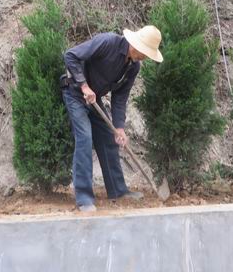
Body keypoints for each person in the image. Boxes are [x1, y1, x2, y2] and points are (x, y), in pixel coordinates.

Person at [60, 25, 163, 212]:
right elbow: (70, 56)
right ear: (137, 46)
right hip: (75, 92)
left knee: (109, 138)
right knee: (85, 138)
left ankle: (118, 191)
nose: (146, 57)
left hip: (94, 99)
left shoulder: (133, 67)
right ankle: (84, 198)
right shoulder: (107, 42)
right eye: (146, 53)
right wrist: (84, 86)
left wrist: (119, 128)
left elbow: (120, 98)